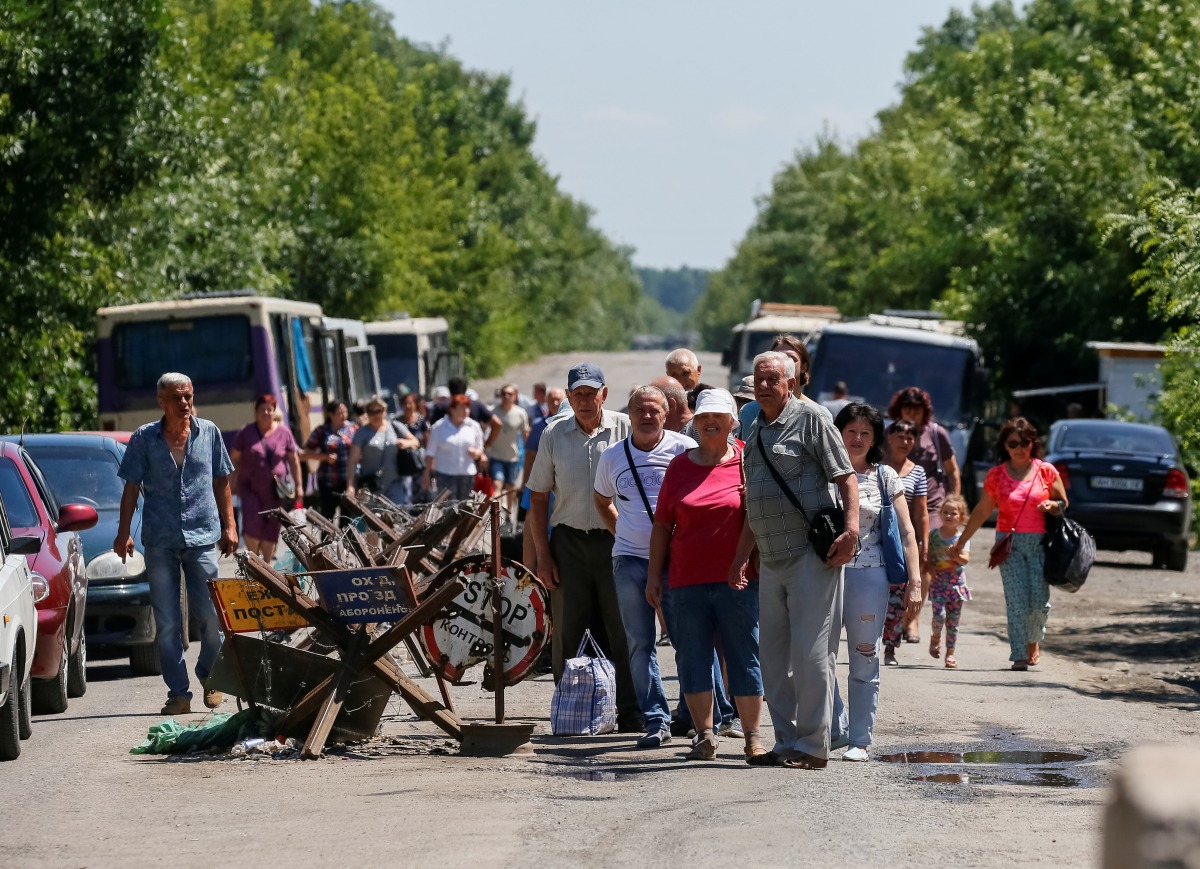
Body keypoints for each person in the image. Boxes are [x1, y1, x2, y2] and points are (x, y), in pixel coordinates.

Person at [730, 351, 859, 770]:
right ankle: (786, 742)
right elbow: (755, 502)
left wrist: (851, 531)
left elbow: (846, 476)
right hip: (770, 560)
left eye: (772, 379)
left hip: (809, 556)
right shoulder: (754, 429)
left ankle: (813, 745)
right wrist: (740, 558)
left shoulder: (812, 418)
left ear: (789, 383)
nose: (764, 385)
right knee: (772, 658)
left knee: (810, 655)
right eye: (758, 379)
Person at [647, 388, 766, 762]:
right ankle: (704, 735)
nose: (710, 422)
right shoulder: (680, 466)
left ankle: (752, 739)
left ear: (733, 421)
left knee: (745, 657)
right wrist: (654, 577)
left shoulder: (749, 461)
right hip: (685, 581)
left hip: (740, 580)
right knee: (692, 659)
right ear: (695, 422)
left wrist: (745, 559)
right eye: (703, 417)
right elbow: (662, 524)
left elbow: (760, 516)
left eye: (718, 416)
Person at [526, 362, 642, 731]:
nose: (585, 401)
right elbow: (539, 499)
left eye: (591, 394)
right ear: (569, 396)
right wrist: (543, 557)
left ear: (604, 395)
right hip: (569, 544)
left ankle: (630, 713)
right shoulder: (554, 434)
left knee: (623, 628)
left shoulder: (625, 429)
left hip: (617, 541)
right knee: (568, 631)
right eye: (578, 394)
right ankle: (570, 714)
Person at [114, 372, 237, 715]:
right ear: (162, 402)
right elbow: (131, 488)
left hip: (201, 536)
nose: (185, 402)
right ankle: (178, 694)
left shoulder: (208, 432)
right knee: (167, 621)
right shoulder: (144, 438)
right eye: (177, 397)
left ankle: (211, 675)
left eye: (188, 396)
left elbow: (222, 479)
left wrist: (230, 524)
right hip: (160, 539)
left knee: (212, 616)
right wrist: (123, 532)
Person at [593, 386, 695, 748]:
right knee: (639, 643)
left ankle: (693, 716)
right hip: (629, 560)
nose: (647, 416)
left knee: (687, 641)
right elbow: (602, 500)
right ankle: (656, 719)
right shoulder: (612, 456)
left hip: (676, 561)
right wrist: (623, 530)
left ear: (666, 414)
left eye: (654, 410)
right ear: (630, 414)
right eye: (640, 410)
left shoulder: (684, 450)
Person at [831, 402, 923, 762]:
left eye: (865, 433)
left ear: (874, 440)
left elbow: (907, 531)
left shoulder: (885, 477)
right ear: (838, 433)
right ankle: (836, 726)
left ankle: (859, 739)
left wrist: (915, 582)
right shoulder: (822, 471)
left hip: (871, 575)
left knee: (864, 655)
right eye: (850, 430)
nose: (856, 438)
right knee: (816, 657)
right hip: (825, 574)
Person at [949, 417, 1067, 671]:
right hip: (1008, 544)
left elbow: (1063, 503)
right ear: (1005, 446)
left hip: (1039, 545)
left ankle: (1033, 639)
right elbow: (981, 512)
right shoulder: (997, 476)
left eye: (1025, 442)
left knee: (1038, 602)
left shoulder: (1046, 471)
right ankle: (1019, 653)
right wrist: (961, 541)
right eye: (1013, 443)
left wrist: (1053, 506)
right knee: (1016, 601)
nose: (1020, 448)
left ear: (1032, 443)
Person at [887, 386, 961, 643]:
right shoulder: (892, 432)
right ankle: (894, 615)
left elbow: (952, 471)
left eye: (916, 408)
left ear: (924, 411)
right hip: (898, 504)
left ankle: (913, 621)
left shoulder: (937, 433)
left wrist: (955, 502)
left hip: (932, 506)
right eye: (907, 407)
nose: (911, 412)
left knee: (925, 563)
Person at [229, 394, 303, 562]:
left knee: (271, 525)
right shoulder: (246, 432)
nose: (266, 413)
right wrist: (230, 482)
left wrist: (299, 486)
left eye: (269, 410)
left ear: (274, 411)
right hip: (249, 487)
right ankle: (254, 560)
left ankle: (267, 564)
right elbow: (233, 458)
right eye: (262, 410)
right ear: (256, 413)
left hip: (275, 490)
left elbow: (293, 460)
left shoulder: (284, 433)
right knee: (251, 521)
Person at [881, 419, 929, 666]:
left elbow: (921, 513)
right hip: (876, 539)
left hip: (902, 542)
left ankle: (890, 646)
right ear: (889, 438)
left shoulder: (917, 472)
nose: (906, 441)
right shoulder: (876, 466)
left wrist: (924, 543)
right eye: (901, 436)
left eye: (911, 437)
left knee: (898, 595)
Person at [738, 334, 831, 434]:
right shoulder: (751, 411)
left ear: (804, 366)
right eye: (777, 358)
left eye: (791, 359)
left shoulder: (819, 414)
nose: (784, 363)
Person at [346, 397, 420, 504]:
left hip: (394, 483)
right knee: (372, 519)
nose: (375, 415)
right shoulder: (362, 432)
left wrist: (405, 443)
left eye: (378, 411)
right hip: (371, 486)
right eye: (371, 412)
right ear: (367, 414)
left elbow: (415, 441)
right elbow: (353, 460)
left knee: (395, 517)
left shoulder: (395, 426)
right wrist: (350, 485)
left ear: (384, 411)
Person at [927, 495, 971, 669]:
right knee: (939, 616)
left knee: (953, 622)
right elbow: (928, 558)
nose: (949, 516)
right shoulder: (934, 535)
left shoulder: (962, 538)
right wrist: (930, 569)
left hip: (956, 585)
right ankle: (935, 637)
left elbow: (965, 560)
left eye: (954, 513)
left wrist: (956, 554)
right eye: (945, 512)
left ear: (961, 517)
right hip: (938, 584)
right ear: (940, 514)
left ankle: (950, 655)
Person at [302, 399, 358, 519]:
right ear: (331, 415)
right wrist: (324, 457)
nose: (343, 415)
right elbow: (305, 453)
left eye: (345, 412)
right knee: (327, 517)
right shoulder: (322, 431)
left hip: (348, 480)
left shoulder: (353, 428)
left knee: (347, 519)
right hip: (328, 481)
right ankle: (328, 538)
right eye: (339, 413)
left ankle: (347, 538)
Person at [423, 394, 486, 500]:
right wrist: (426, 474)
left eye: (467, 408)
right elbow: (430, 452)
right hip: (445, 474)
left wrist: (476, 453)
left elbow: (480, 447)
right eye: (462, 408)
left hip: (467, 473)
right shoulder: (439, 427)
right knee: (447, 508)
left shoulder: (474, 426)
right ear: (452, 409)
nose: (466, 411)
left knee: (465, 508)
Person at [487, 383, 530, 522]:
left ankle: (509, 512)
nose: (506, 397)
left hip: (513, 457)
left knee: (511, 486)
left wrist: (526, 452)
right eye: (504, 393)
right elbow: (483, 428)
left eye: (509, 394)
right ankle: (496, 512)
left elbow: (525, 433)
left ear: (515, 396)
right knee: (497, 483)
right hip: (496, 456)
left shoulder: (520, 413)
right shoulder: (493, 411)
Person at [396, 390, 431, 501]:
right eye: (405, 403)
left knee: (422, 490)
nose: (407, 406)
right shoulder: (397, 422)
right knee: (406, 491)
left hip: (419, 461)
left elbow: (427, 441)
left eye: (410, 403)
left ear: (415, 404)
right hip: (404, 462)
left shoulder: (421, 421)